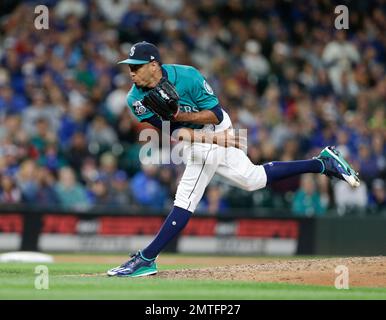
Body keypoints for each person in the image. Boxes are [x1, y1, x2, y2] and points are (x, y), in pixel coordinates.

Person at [107, 41, 360, 277]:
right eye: (129, 67)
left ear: (153, 66)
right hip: (198, 139)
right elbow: (172, 131)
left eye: (136, 67)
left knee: (186, 196)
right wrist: (196, 132)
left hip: (217, 127)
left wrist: (187, 118)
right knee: (253, 179)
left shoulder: (187, 76)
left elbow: (215, 115)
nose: (131, 73)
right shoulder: (135, 100)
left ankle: (147, 258)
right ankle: (322, 163)